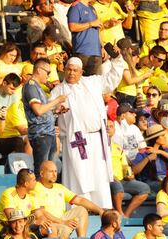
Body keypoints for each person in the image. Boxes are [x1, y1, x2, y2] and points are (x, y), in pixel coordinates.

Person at [49, 55, 124, 207]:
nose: (71, 73)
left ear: (81, 72)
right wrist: (56, 112)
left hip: (96, 138)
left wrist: (117, 59)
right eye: (69, 70)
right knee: (79, 173)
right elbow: (47, 112)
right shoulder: (58, 91)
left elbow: (112, 80)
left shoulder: (93, 82)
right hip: (74, 139)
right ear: (64, 70)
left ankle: (100, 206)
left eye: (75, 70)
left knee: (97, 173)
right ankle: (80, 207)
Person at [34, 161, 104, 238]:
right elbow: (42, 212)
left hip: (62, 218)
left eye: (55, 171)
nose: (54, 175)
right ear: (42, 174)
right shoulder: (36, 188)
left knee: (82, 210)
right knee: (65, 228)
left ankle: (81, 237)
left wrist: (99, 210)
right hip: (48, 222)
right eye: (51, 171)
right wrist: (63, 222)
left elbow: (79, 200)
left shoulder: (59, 187)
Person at [22, 58, 67, 177]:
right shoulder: (31, 86)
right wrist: (57, 100)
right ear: (38, 70)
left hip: (48, 133)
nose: (49, 76)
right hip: (40, 134)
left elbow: (43, 112)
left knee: (50, 169)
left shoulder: (38, 87)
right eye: (48, 73)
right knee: (42, 170)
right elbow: (38, 110)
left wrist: (56, 111)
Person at [0, 168, 57, 239]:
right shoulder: (8, 194)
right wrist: (36, 222)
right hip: (8, 228)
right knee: (19, 234)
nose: (36, 182)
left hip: (25, 226)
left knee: (51, 229)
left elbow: (39, 215)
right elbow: (14, 220)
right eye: (34, 180)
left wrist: (43, 221)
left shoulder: (32, 195)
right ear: (26, 184)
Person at [107, 119, 150, 218]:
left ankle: (126, 215)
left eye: (111, 126)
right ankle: (119, 214)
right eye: (106, 127)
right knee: (118, 187)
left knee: (144, 188)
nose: (108, 129)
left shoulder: (117, 147)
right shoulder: (98, 148)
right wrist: (109, 175)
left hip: (122, 179)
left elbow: (124, 165)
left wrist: (129, 174)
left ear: (114, 129)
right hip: (108, 179)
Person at [132, 124, 168, 194]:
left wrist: (160, 152)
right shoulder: (144, 152)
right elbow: (134, 171)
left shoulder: (165, 149)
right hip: (151, 181)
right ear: (156, 139)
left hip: (166, 178)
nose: (165, 137)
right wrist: (147, 158)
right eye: (162, 136)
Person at [67, 0, 104, 76]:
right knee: (80, 83)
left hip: (97, 53)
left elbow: (97, 29)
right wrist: (91, 24)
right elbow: (72, 27)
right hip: (82, 52)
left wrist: (102, 46)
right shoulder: (76, 7)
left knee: (95, 83)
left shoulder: (92, 8)